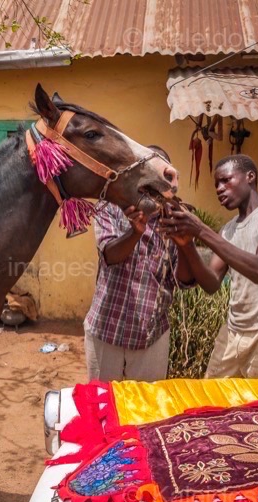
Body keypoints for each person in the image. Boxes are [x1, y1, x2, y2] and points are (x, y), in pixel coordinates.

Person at [159, 154, 258, 379]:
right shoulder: (228, 230)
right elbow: (212, 283)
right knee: (213, 402)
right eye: (216, 184)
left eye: (226, 180)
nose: (219, 189)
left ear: (250, 176)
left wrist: (202, 230)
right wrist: (187, 246)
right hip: (233, 331)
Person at [84, 146, 194, 382]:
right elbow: (110, 256)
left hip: (151, 334)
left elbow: (182, 281)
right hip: (106, 328)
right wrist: (135, 232)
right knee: (104, 404)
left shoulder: (175, 218)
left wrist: (185, 245)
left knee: (146, 411)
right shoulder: (110, 207)